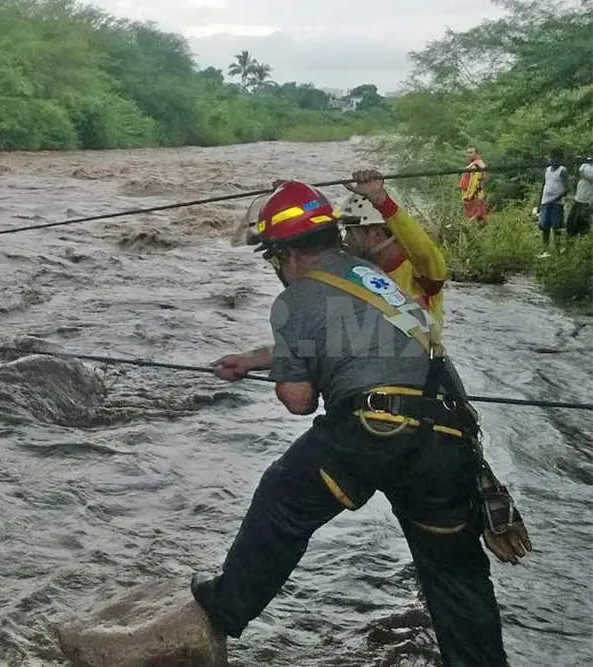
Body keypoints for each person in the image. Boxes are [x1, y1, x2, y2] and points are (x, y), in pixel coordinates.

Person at [183, 181, 531, 666]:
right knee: (455, 573)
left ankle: (226, 606)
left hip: (373, 430)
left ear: (284, 254)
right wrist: (256, 359)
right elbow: (361, 344)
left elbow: (300, 401)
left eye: (272, 259)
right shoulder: (371, 277)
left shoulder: (297, 297)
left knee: (283, 495)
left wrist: (285, 373)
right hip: (450, 435)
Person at [339, 169, 449, 325]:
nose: (346, 240)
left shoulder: (422, 277)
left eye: (351, 233)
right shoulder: (350, 274)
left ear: (376, 235)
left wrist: (381, 201)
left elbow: (425, 251)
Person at [537, 148, 568, 255]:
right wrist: (539, 204)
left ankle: (558, 249)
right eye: (552, 158)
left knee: (556, 226)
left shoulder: (562, 170)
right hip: (545, 202)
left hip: (556, 203)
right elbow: (543, 186)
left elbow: (567, 189)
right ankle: (545, 250)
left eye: (556, 158)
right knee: (544, 226)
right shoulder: (547, 170)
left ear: (560, 159)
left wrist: (555, 199)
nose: (554, 160)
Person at [458, 147, 489, 224]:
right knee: (477, 215)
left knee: (476, 215)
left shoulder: (477, 165)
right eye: (467, 152)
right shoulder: (475, 164)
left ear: (477, 154)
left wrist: (468, 195)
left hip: (473, 195)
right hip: (472, 194)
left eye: (471, 152)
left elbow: (474, 182)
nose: (468, 154)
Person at [565, 155, 592, 238]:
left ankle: (584, 246)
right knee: (571, 224)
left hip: (588, 201)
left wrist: (584, 175)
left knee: (583, 224)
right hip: (578, 200)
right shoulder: (585, 165)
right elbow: (579, 171)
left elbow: (589, 176)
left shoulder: (586, 167)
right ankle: (570, 247)